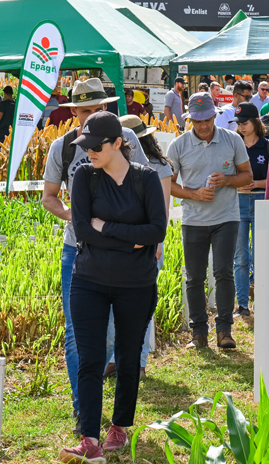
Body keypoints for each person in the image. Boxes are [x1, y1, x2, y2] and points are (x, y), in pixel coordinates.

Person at [57, 112, 167, 463]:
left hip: (136, 285)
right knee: (90, 359)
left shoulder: (146, 178)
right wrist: (129, 240)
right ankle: (89, 437)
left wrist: (107, 228)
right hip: (88, 281)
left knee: (128, 356)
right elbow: (83, 230)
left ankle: (119, 426)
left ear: (119, 143)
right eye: (84, 146)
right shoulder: (84, 178)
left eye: (95, 146)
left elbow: (157, 232)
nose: (88, 152)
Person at [42, 78, 149, 437]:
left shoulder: (126, 138)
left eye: (96, 110)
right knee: (77, 335)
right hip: (79, 250)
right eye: (83, 111)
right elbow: (50, 198)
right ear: (73, 112)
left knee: (114, 337)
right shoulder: (63, 148)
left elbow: (146, 184)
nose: (90, 118)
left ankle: (115, 418)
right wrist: (81, 218)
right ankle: (82, 408)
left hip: (125, 255)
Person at [167, 92, 253, 350]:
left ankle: (224, 330)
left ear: (215, 115)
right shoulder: (178, 145)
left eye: (207, 119)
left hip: (226, 217)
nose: (203, 125)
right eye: (197, 120)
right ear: (189, 119)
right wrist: (193, 194)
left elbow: (247, 176)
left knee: (224, 272)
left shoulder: (232, 140)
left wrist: (227, 180)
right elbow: (168, 185)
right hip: (193, 219)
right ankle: (198, 333)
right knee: (194, 277)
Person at [115, 115, 173, 375]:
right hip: (120, 244)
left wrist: (157, 241)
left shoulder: (159, 166)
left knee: (138, 309)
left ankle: (137, 362)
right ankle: (118, 361)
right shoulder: (114, 166)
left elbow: (162, 209)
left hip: (148, 243)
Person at [229, 103, 269, 318]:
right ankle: (243, 305)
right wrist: (237, 184)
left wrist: (256, 184)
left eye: (245, 123)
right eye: (238, 124)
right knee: (240, 256)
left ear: (256, 121)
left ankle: (263, 302)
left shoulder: (268, 147)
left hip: (261, 201)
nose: (241, 127)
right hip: (237, 202)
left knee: (261, 255)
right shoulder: (233, 145)